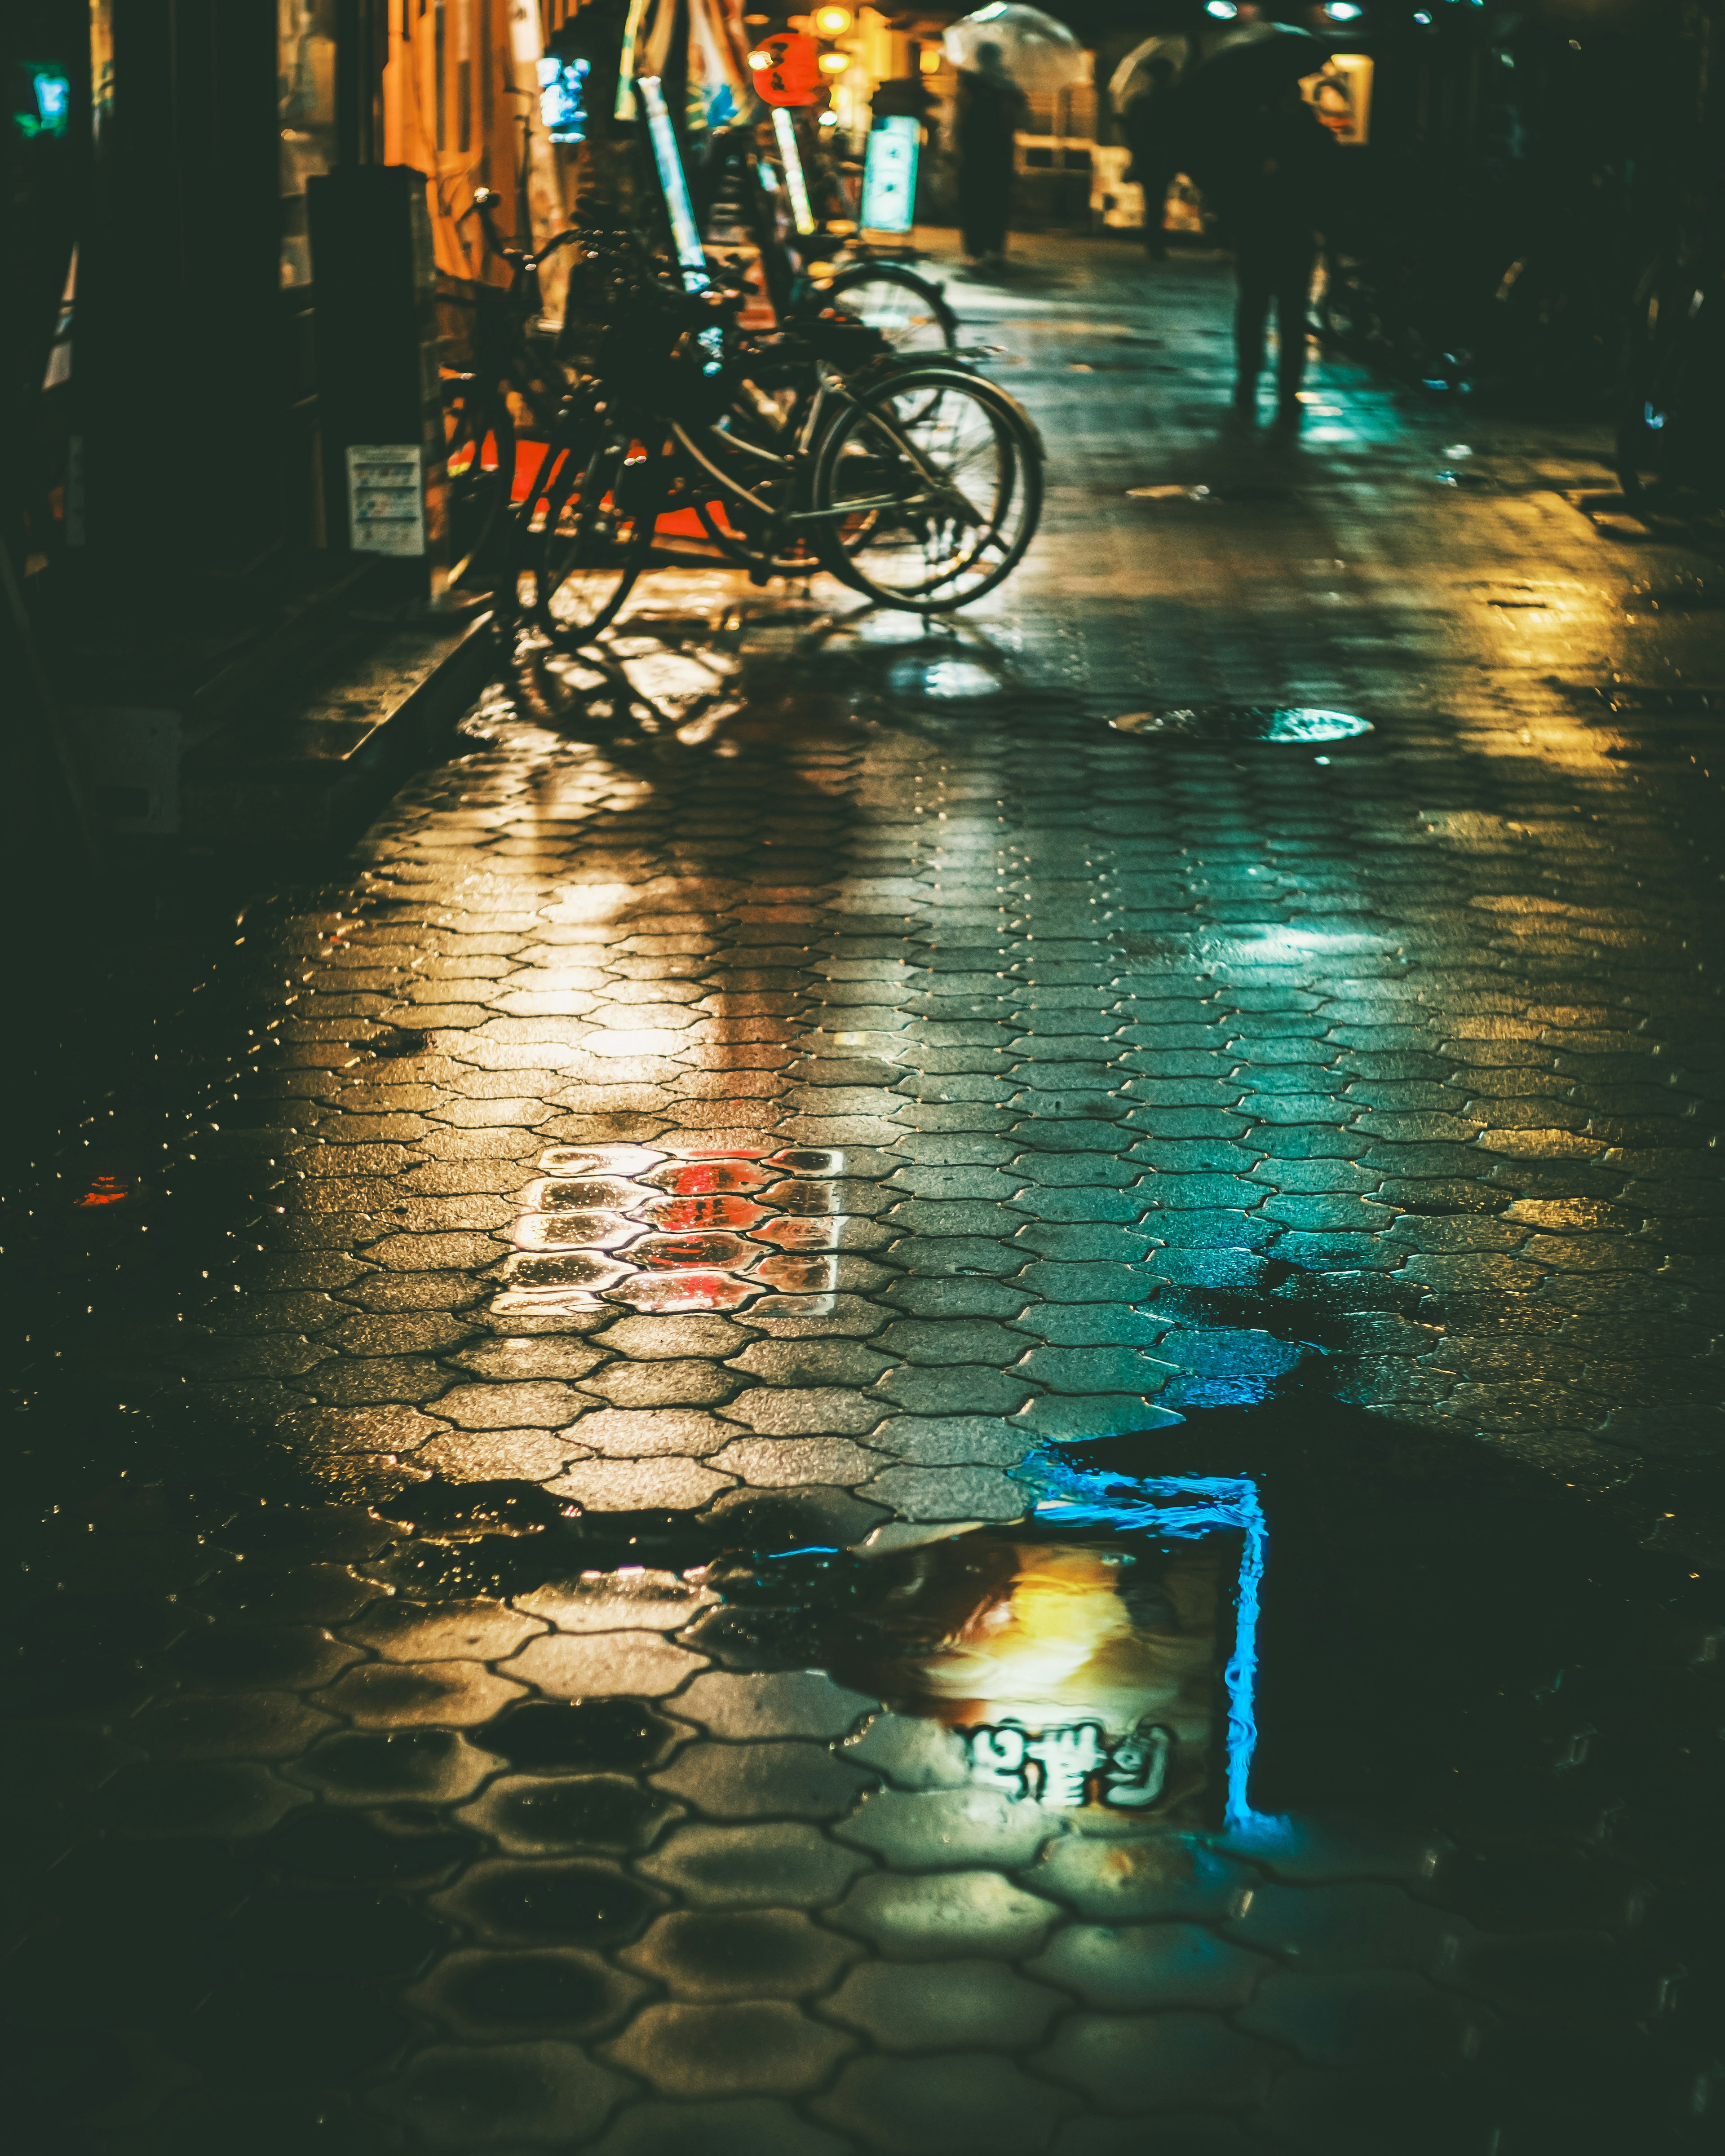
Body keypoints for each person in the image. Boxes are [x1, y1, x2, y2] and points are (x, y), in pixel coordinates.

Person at [1174, 34, 1337, 428]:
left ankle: (1282, 387)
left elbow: (1326, 184)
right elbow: (1236, 178)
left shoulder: (1304, 136)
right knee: (1260, 311)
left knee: (1283, 314)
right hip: (1268, 231)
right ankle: (1252, 381)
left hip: (1285, 232)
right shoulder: (1257, 133)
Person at [954, 41, 1028, 270]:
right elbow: (1020, 119)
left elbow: (958, 117)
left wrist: (954, 145)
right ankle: (994, 250)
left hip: (974, 151)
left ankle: (974, 251)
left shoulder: (968, 82)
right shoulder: (1008, 84)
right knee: (997, 202)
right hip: (999, 151)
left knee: (973, 201)